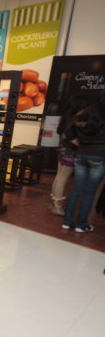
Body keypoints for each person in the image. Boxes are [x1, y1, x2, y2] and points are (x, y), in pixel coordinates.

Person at [62, 90, 105, 233]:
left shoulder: (85, 112)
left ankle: (67, 222)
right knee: (90, 192)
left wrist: (81, 146)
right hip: (100, 157)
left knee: (76, 189)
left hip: (82, 155)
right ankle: (81, 225)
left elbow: (68, 133)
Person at [49, 95, 91, 216]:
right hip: (70, 152)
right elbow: (70, 136)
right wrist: (81, 145)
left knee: (59, 177)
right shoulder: (76, 118)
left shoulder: (66, 116)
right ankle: (57, 207)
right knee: (63, 178)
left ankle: (53, 203)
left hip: (62, 149)